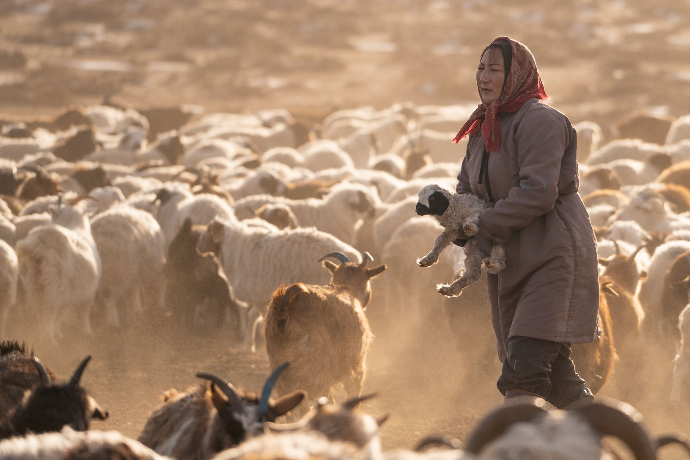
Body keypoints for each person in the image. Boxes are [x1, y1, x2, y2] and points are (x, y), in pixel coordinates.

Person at [451, 36, 599, 409]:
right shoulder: (484, 127)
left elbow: (539, 191)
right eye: (480, 68)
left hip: (553, 257)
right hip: (513, 261)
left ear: (517, 75)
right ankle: (603, 439)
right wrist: (452, 213)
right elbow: (468, 187)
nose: (483, 76)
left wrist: (482, 226)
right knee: (557, 378)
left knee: (523, 377)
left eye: (494, 69)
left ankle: (521, 444)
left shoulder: (540, 120)